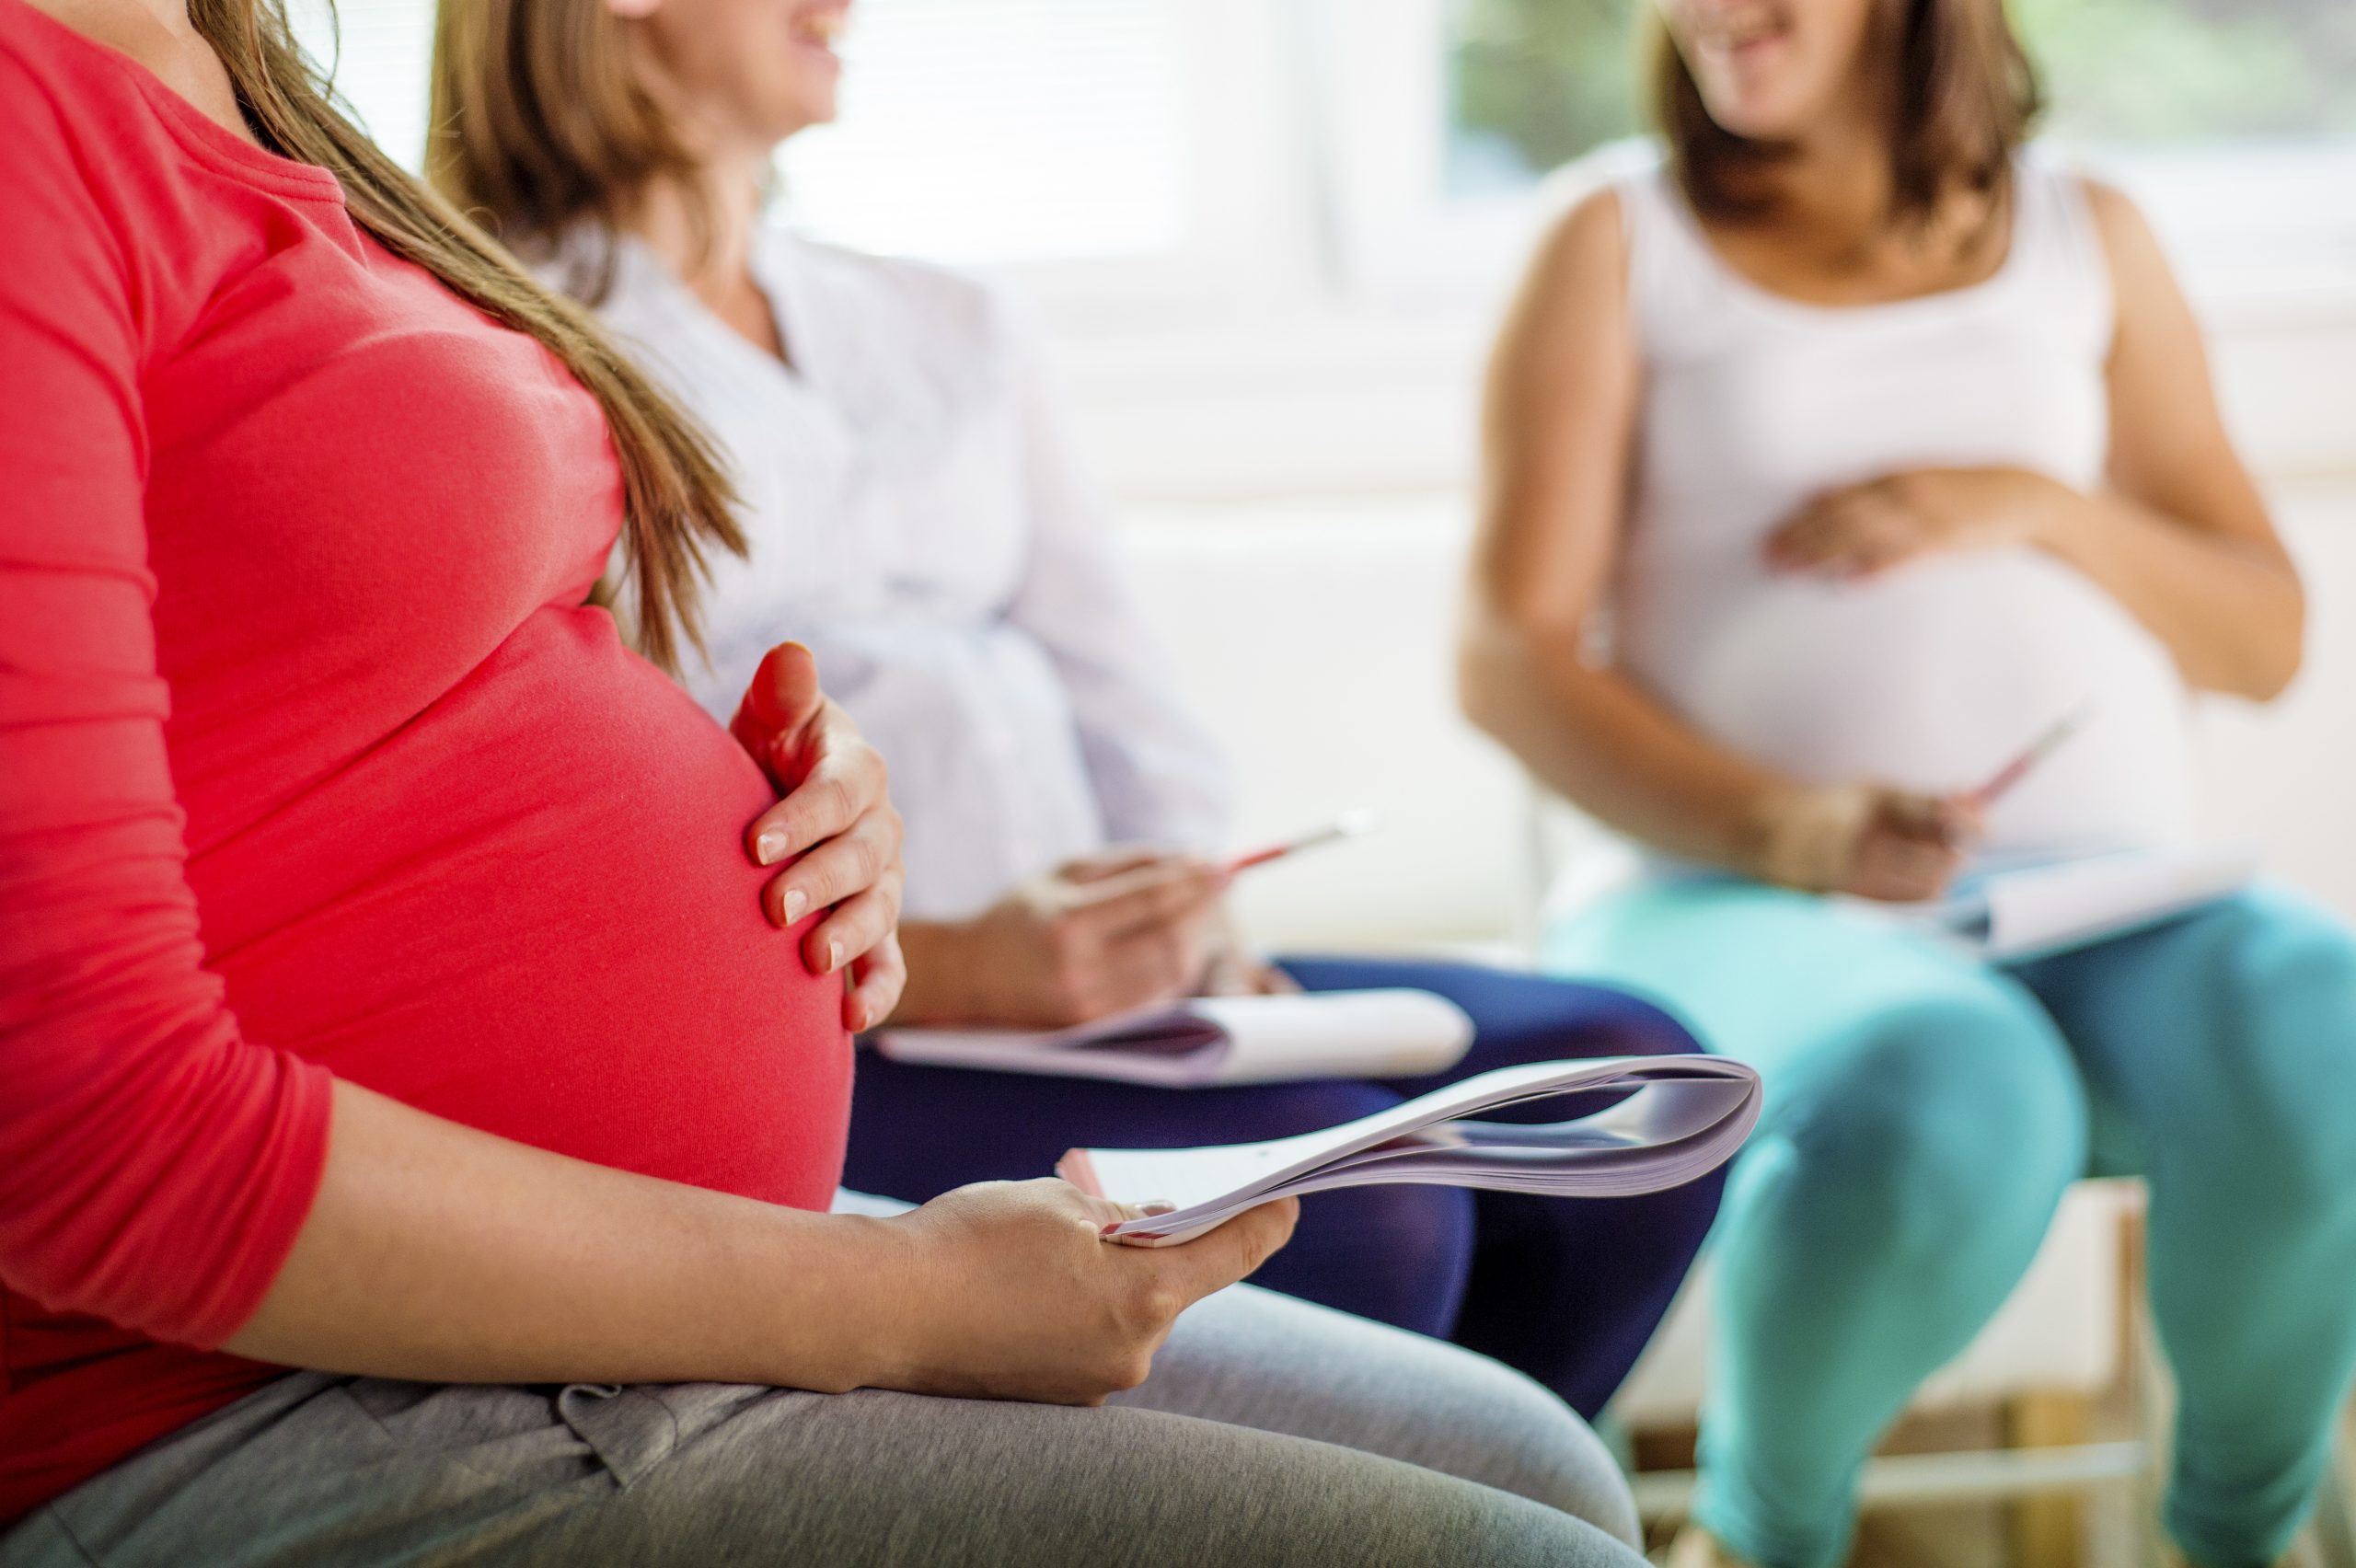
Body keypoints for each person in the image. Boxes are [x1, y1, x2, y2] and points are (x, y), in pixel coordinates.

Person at [0, 0, 1662, 1559]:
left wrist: (790, 814)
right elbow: (82, 1140)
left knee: (1541, 1459)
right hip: (239, 1390)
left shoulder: (241, 82)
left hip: (614, 1261)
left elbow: (337, 693)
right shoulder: (31, 109)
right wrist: (899, 1296)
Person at [425, 0, 1727, 1421]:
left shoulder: (942, 317)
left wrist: (1189, 913)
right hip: (850, 1036)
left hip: (1107, 1002)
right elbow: (574, 845)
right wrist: (966, 962)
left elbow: (1116, 682)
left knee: (1626, 1077)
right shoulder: (494, 355)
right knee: (1369, 1213)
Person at [1459, 0, 2356, 1563]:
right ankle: (1755, 1539)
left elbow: (2263, 639)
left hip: (2104, 901)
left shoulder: (2092, 230)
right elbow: (1510, 659)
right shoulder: (1616, 238)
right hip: (1719, 897)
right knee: (1948, 1079)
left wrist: (2028, 504)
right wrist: (1787, 827)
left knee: (2329, 1020)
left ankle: (2242, 1539)